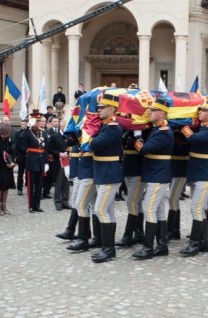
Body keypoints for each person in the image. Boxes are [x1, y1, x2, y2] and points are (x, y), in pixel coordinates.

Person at [129, 97, 174, 259]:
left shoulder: (163, 132)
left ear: (162, 113)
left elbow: (144, 150)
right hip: (156, 174)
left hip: (158, 176)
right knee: (160, 210)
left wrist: (137, 135)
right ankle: (161, 246)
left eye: (153, 110)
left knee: (149, 208)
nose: (150, 112)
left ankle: (148, 248)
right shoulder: (157, 129)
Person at [179, 100, 208, 256]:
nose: (199, 113)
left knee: (195, 208)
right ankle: (203, 243)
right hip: (197, 173)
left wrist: (182, 126)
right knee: (199, 209)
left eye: (203, 111)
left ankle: (194, 244)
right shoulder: (203, 128)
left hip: (204, 175)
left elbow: (193, 139)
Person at [89, 93, 124, 263]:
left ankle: (108, 249)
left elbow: (95, 144)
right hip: (104, 173)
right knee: (107, 211)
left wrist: (89, 138)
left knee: (100, 210)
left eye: (102, 107)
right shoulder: (105, 126)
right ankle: (108, 249)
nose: (99, 110)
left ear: (111, 110)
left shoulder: (113, 128)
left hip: (109, 175)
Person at [115, 127, 145, 247]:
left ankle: (127, 236)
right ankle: (139, 233)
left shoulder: (144, 130)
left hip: (139, 170)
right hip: (128, 169)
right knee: (137, 203)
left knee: (131, 203)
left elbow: (143, 149)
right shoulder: (126, 130)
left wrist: (138, 134)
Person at [167, 127, 190, 240]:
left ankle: (171, 230)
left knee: (172, 198)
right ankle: (175, 231)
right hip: (174, 168)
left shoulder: (183, 133)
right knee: (174, 199)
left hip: (180, 169)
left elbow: (182, 148)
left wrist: (177, 133)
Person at [0, 123, 16, 215]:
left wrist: (13, 162)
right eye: (5, 134)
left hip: (7, 166)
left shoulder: (9, 138)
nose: (6, 135)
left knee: (6, 186)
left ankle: (4, 205)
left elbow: (13, 151)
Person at [14, 119, 28, 195]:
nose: (23, 125)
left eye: (24, 124)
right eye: (22, 124)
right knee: (20, 173)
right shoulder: (17, 133)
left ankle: (28, 186)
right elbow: (17, 144)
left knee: (28, 173)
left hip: (29, 156)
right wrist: (25, 150)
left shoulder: (29, 133)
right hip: (21, 155)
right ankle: (19, 188)